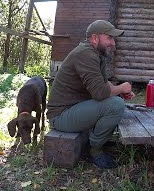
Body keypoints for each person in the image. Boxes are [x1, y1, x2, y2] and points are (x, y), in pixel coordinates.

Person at [46, 20, 134, 169]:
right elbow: (100, 93)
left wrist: (118, 91)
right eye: (110, 38)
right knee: (116, 105)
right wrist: (122, 88)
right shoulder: (85, 54)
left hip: (73, 109)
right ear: (95, 38)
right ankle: (96, 150)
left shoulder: (94, 53)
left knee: (116, 100)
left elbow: (104, 83)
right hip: (61, 116)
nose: (113, 43)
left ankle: (95, 140)